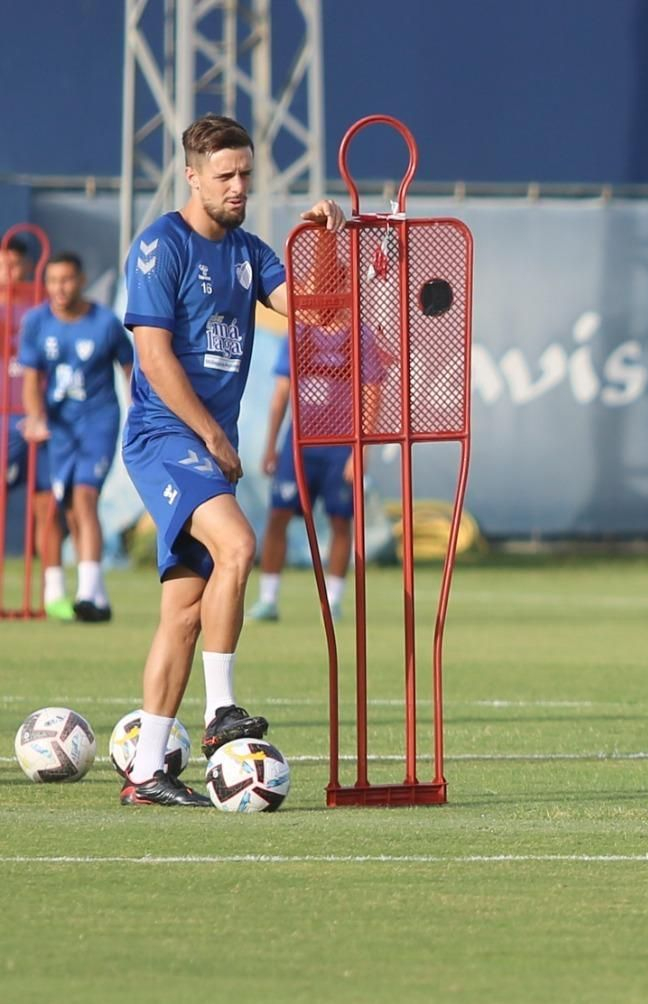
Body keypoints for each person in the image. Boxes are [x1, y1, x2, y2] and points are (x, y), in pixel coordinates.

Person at [119, 113, 344, 807]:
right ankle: (220, 714)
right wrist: (215, 438)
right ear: (192, 176)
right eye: (225, 175)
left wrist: (325, 245)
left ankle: (147, 772)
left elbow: (317, 311)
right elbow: (154, 357)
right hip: (165, 438)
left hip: (207, 448)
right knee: (241, 544)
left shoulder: (249, 252)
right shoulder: (162, 246)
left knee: (184, 613)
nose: (240, 186)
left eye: (247, 173)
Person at [250, 255, 384, 625]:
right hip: (300, 443)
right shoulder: (299, 333)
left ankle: (335, 599)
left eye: (324, 284)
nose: (315, 292)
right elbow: (281, 394)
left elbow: (371, 392)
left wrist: (361, 451)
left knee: (342, 521)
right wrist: (270, 445)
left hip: (342, 443)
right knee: (279, 515)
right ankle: (269, 599)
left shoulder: (359, 334)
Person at [17, 252, 135, 622]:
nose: (59, 288)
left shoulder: (104, 323)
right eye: (53, 281)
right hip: (57, 425)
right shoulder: (36, 322)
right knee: (53, 506)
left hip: (98, 422)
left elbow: (131, 367)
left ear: (81, 280)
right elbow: (32, 380)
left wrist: (141, 410)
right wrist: (36, 417)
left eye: (66, 280)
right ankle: (59, 594)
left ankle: (86, 592)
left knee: (85, 498)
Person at [2, 238, 70, 619]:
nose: (10, 272)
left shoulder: (42, 310)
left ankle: (54, 595)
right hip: (2, 415)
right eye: (3, 265)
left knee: (47, 505)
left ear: (29, 266)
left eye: (16, 265)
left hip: (41, 416)